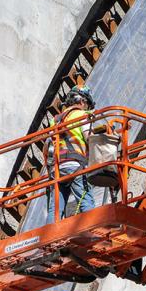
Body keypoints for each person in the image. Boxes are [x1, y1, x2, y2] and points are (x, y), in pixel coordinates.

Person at [51, 86, 97, 217]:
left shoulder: (54, 121)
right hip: (75, 165)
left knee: (54, 210)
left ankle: (53, 235)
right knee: (86, 201)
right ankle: (92, 231)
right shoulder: (81, 115)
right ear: (82, 102)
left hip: (56, 168)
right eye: (87, 105)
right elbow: (90, 138)